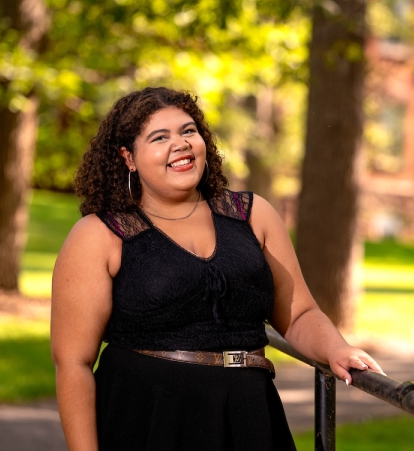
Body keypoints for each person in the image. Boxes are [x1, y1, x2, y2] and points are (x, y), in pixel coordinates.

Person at [51, 87, 384, 451]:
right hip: (147, 422)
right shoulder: (100, 235)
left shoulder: (253, 215)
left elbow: (299, 313)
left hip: (249, 416)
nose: (180, 144)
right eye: (159, 137)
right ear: (128, 157)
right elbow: (73, 363)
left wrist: (336, 349)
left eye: (188, 131)